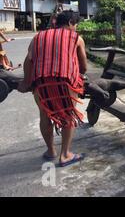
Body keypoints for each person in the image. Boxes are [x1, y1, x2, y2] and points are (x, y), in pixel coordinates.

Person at [18, 10, 88, 167]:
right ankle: (65, 155)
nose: (76, 28)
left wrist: (27, 82)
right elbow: (84, 66)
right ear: (70, 23)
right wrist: (80, 73)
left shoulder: (38, 36)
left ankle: (51, 151)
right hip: (65, 82)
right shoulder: (76, 38)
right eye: (75, 25)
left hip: (40, 83)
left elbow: (28, 61)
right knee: (69, 116)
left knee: (44, 115)